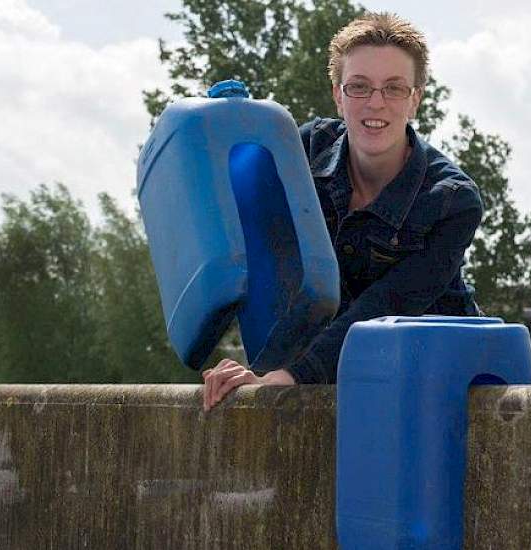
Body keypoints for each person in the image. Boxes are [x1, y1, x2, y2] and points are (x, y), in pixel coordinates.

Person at [202, 12, 484, 411]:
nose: (376, 102)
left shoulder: (452, 201)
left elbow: (386, 308)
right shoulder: (301, 152)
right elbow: (249, 246)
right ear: (337, 94)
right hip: (333, 370)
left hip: (441, 374)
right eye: (359, 86)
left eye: (394, 88)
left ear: (416, 99)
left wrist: (291, 375)